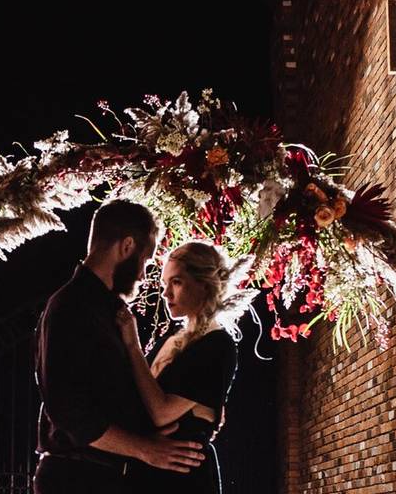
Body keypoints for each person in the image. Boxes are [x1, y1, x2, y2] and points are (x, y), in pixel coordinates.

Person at [33, 199, 206, 494]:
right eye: (145, 260)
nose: (142, 274)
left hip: (102, 478)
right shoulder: (70, 306)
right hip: (75, 480)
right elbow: (70, 413)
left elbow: (111, 396)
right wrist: (145, 450)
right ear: (127, 246)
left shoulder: (109, 310)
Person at [116, 240, 256, 494]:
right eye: (164, 284)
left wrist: (132, 346)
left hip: (183, 479)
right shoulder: (167, 341)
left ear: (204, 284)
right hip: (147, 474)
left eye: (176, 282)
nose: (166, 293)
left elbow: (161, 412)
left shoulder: (217, 344)